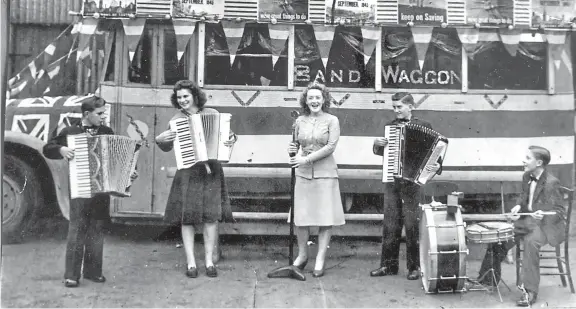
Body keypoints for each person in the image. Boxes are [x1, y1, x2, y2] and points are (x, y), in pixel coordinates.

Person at [43, 96, 137, 288]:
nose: (104, 118)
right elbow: (48, 148)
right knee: (77, 229)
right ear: (87, 114)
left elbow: (116, 158)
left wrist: (128, 172)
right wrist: (61, 149)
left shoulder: (106, 132)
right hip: (80, 186)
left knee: (97, 229)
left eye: (104, 113)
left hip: (101, 190)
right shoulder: (70, 131)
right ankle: (71, 275)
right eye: (100, 114)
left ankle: (93, 272)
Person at [155, 80, 237, 278]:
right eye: (179, 97)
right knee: (187, 218)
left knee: (211, 218)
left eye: (186, 96)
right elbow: (167, 146)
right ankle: (191, 263)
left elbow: (228, 137)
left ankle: (209, 261)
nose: (182, 100)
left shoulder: (213, 114)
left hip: (211, 171)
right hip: (189, 172)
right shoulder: (175, 120)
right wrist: (160, 140)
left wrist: (231, 139)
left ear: (194, 96)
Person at [476, 146, 566, 307]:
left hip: (545, 226)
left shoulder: (552, 183)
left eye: (527, 158)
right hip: (528, 221)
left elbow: (559, 212)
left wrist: (543, 213)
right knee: (500, 235)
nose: (523, 161)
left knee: (531, 243)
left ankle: (530, 292)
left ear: (539, 162)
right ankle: (487, 280)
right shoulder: (527, 176)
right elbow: (524, 196)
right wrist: (518, 206)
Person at [370, 91, 441, 280]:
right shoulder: (390, 127)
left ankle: (414, 267)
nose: (396, 111)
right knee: (390, 224)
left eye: (399, 107)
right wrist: (377, 145)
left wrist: (436, 166)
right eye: (393, 107)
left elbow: (435, 155)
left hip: (413, 184)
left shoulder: (424, 126)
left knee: (412, 226)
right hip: (393, 182)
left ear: (411, 106)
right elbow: (381, 153)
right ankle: (388, 266)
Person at [287, 82, 345, 277]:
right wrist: (292, 150)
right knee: (300, 218)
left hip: (325, 173)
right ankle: (303, 256)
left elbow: (330, 147)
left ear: (324, 100)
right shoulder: (299, 121)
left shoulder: (332, 120)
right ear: (306, 100)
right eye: (310, 98)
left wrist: (305, 158)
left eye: (317, 97)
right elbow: (295, 144)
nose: (314, 101)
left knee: (324, 218)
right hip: (303, 173)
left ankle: (320, 257)